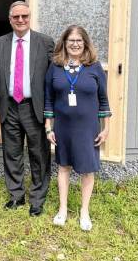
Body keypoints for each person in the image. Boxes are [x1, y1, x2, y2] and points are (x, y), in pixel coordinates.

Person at [0, 0, 55, 217]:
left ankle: (37, 199)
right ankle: (16, 195)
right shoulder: (0, 43)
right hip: (10, 106)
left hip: (34, 107)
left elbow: (54, 75)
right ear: (10, 19)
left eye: (24, 16)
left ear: (29, 17)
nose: (20, 20)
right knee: (12, 153)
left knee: (39, 154)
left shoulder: (45, 42)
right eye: (16, 17)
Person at [44, 25, 111, 231]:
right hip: (63, 127)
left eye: (79, 41)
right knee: (63, 166)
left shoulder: (94, 67)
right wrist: (48, 127)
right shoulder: (55, 67)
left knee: (87, 169)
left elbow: (103, 101)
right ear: (64, 43)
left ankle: (84, 211)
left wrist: (106, 128)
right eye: (70, 40)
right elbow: (48, 99)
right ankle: (63, 209)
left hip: (88, 128)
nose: (74, 44)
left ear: (85, 43)